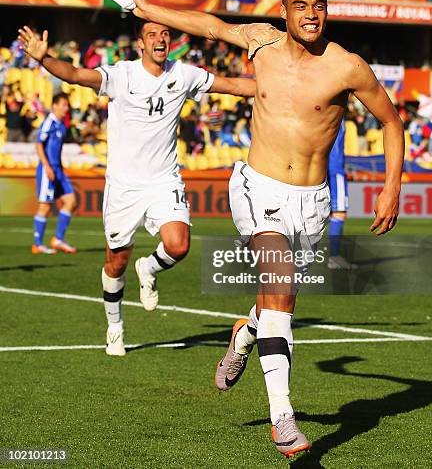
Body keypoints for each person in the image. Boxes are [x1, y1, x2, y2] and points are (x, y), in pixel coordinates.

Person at [127, 0, 404, 459]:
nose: (311, 14)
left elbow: (390, 121)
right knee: (279, 278)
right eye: (301, 6)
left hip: (312, 202)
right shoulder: (261, 41)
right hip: (259, 187)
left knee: (278, 303)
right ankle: (283, 419)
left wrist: (391, 185)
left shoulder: (348, 66)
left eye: (319, 6)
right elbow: (207, 26)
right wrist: (148, 5)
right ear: (284, 10)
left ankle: (245, 333)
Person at [18, 22, 255, 357]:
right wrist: (45, 59)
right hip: (124, 186)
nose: (160, 39)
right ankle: (115, 326)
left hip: (164, 179)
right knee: (116, 262)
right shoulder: (121, 75)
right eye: (152, 35)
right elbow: (74, 75)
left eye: (164, 34)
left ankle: (150, 268)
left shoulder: (184, 74)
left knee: (179, 244)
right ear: (141, 44)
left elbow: (231, 85)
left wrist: (279, 86)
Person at [33, 93, 77, 255]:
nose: (66, 108)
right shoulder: (49, 123)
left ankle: (58, 238)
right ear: (55, 105)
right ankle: (37, 244)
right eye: (64, 105)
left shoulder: (61, 125)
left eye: (67, 105)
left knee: (71, 201)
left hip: (59, 169)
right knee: (45, 206)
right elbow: (38, 144)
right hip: (48, 169)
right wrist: (46, 166)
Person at [327, 118, 357, 270]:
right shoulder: (337, 113)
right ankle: (334, 256)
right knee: (339, 213)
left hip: (321, 168)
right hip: (335, 170)